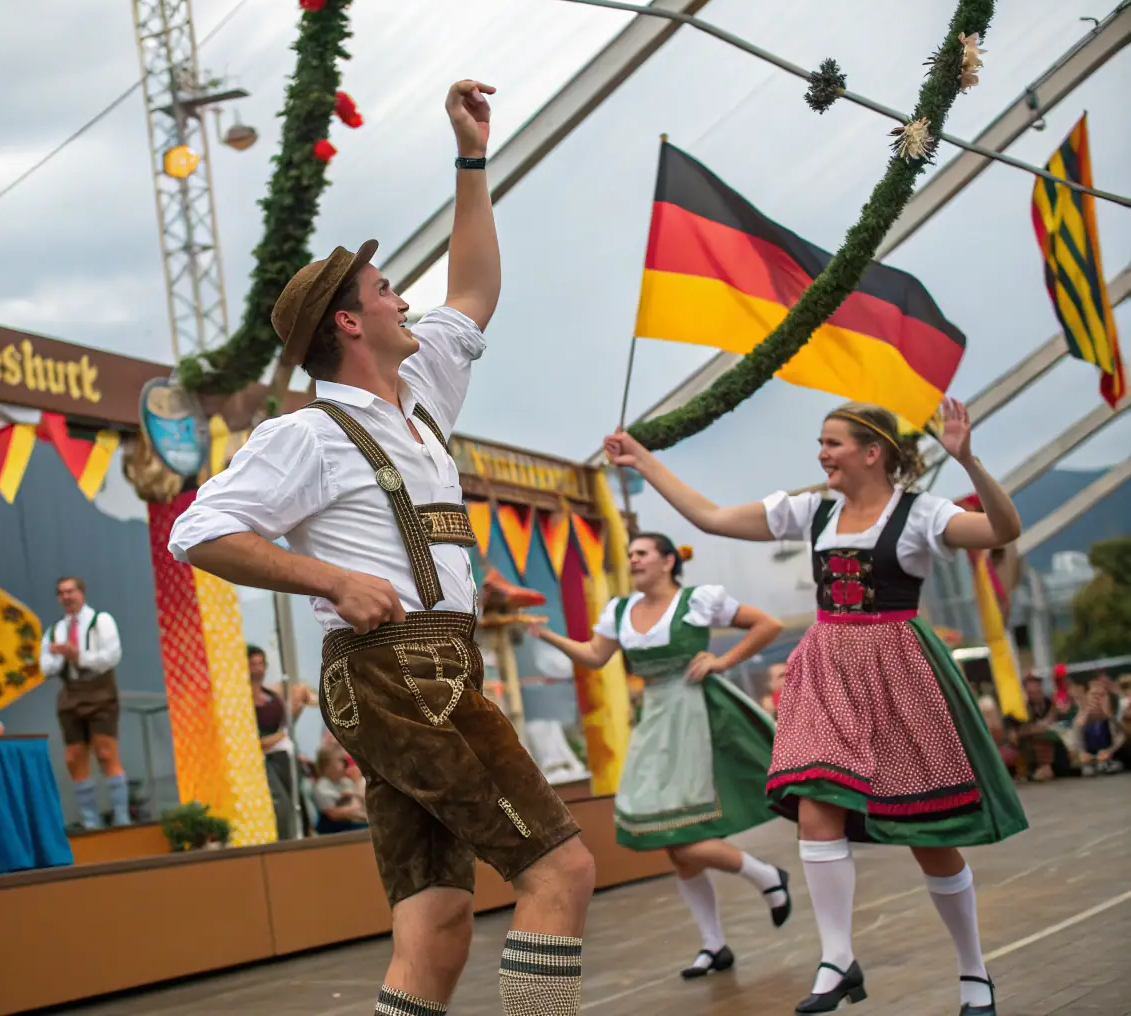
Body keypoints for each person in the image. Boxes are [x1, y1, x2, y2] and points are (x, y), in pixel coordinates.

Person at [169, 80, 596, 1016]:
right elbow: (196, 529)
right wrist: (328, 577)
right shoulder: (307, 434)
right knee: (559, 868)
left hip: (442, 667)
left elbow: (475, 286)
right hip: (391, 673)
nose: (407, 299)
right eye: (384, 290)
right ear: (349, 324)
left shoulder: (426, 394)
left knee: (436, 921)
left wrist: (471, 158)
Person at [603, 398, 1027, 1016]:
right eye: (821, 443)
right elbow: (714, 517)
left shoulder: (920, 514)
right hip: (826, 669)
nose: (822, 453)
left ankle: (973, 971)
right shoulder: (813, 511)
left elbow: (1002, 532)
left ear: (872, 452)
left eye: (833, 443)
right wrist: (643, 461)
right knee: (815, 805)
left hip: (897, 674)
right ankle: (836, 957)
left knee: (928, 833)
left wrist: (969, 462)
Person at [532, 533, 791, 978]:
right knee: (665, 832)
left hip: (695, 716)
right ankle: (715, 943)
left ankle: (765, 875)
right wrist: (547, 636)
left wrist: (723, 660)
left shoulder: (698, 600)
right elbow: (596, 657)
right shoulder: (619, 610)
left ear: (668, 560)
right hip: (654, 721)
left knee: (680, 832)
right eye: (630, 554)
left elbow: (769, 625)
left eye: (642, 553)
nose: (633, 560)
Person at [39, 576, 128, 829]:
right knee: (74, 756)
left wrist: (79, 656)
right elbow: (45, 666)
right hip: (71, 694)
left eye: (70, 591)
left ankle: (121, 816)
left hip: (99, 691)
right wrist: (61, 656)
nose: (66, 597)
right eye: (61, 593)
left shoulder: (101, 621)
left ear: (82, 593)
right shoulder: (55, 630)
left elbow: (111, 656)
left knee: (105, 750)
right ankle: (90, 821)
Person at [249, 644, 313, 839]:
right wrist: (279, 736)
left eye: (261, 663)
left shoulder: (271, 696)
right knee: (282, 806)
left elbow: (286, 725)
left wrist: (298, 705)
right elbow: (255, 741)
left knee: (298, 803)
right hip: (266, 761)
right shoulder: (243, 701)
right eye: (253, 664)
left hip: (285, 756)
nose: (258, 669)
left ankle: (304, 835)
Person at [312, 742, 370, 834]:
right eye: (341, 760)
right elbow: (334, 814)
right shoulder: (322, 786)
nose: (346, 764)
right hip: (335, 830)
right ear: (328, 765)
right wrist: (354, 802)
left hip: (354, 824)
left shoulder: (345, 782)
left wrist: (357, 782)